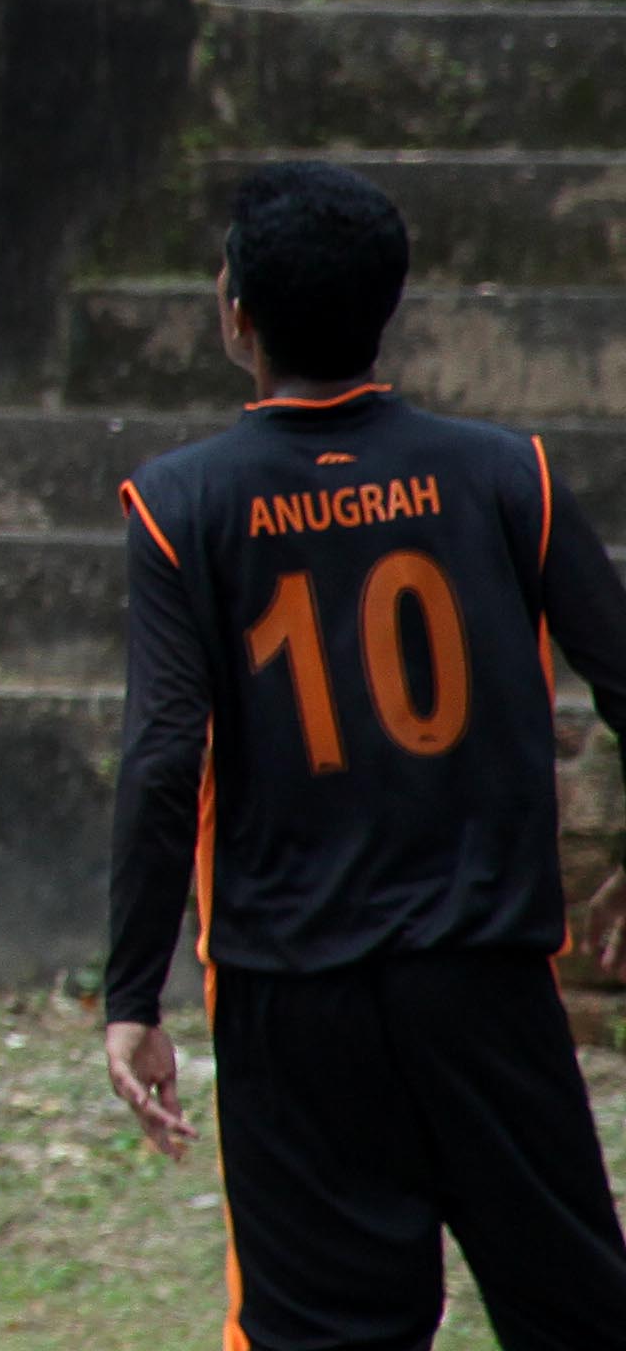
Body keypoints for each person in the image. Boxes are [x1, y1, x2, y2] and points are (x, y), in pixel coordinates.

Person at [99, 162, 626, 1343]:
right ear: (388, 306)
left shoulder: (180, 503)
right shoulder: (507, 473)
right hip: (489, 982)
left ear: (237, 314)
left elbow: (162, 755)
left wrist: (133, 988)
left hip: (297, 999)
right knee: (581, 1316)